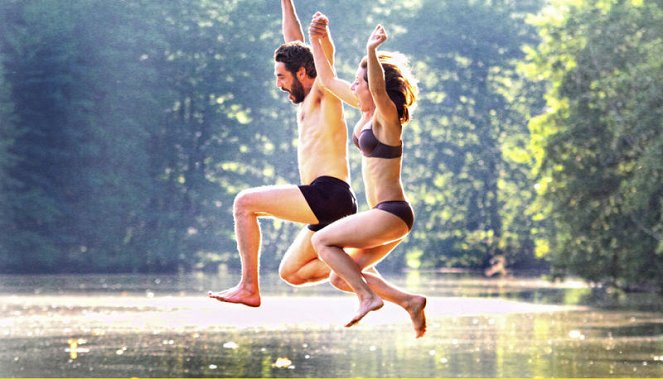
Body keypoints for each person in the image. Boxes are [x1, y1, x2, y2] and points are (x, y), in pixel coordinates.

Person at [208, 0, 356, 307]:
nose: (278, 84)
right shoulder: (306, 99)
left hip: (330, 194)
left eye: (281, 77)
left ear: (302, 72)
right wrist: (286, 2)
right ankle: (364, 271)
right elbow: (292, 39)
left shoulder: (323, 92)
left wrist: (323, 38)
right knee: (293, 273)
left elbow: (324, 56)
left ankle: (249, 286)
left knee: (244, 203)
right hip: (327, 204)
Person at [308, 14, 427, 337]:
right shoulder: (366, 113)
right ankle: (409, 301)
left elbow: (376, 87)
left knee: (321, 240)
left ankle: (367, 296)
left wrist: (371, 52)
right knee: (338, 275)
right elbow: (329, 80)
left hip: (391, 212)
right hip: (386, 217)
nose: (355, 85)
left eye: (359, 81)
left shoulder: (388, 119)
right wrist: (316, 39)